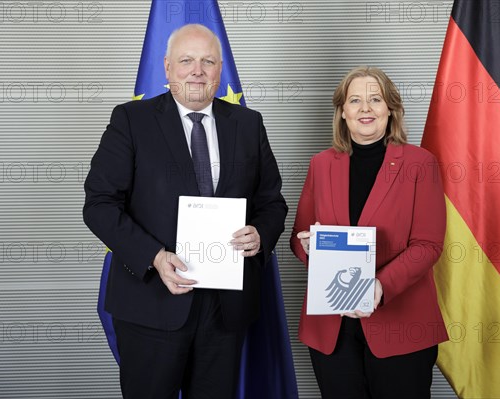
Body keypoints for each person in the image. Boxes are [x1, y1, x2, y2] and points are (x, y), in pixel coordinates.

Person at [83, 24, 287, 399]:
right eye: (186, 61)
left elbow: (272, 202)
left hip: (224, 311)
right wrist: (155, 257)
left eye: (207, 61)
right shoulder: (132, 120)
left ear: (219, 69)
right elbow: (98, 204)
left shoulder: (247, 123)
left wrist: (260, 232)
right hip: (151, 303)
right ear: (166, 67)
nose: (197, 71)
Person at [290, 66, 448, 399]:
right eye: (355, 100)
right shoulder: (321, 164)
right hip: (332, 326)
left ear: (390, 109)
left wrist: (379, 286)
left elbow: (428, 245)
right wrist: (309, 248)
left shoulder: (421, 163)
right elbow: (299, 237)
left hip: (401, 322)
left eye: (375, 99)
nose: (365, 109)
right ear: (342, 112)